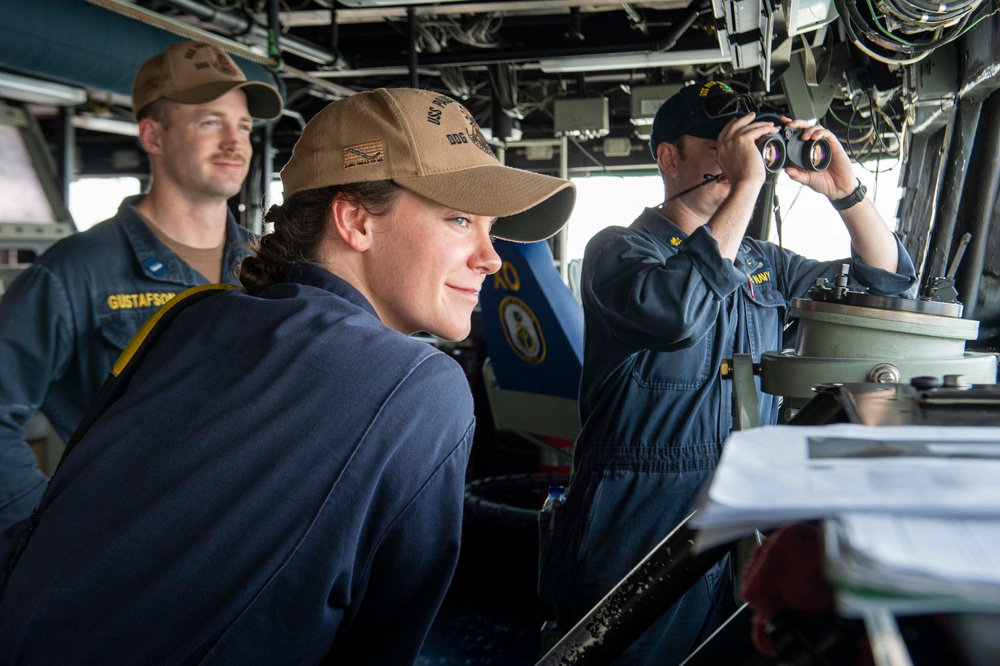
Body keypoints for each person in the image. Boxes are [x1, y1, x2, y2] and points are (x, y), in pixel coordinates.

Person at [0, 87, 576, 664]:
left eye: (490, 226)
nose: (491, 256)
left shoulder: (190, 318)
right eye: (458, 219)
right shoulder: (422, 386)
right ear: (354, 219)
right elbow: (381, 645)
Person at [540, 81, 917, 664]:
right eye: (724, 142)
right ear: (670, 158)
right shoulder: (618, 250)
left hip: (745, 509)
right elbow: (673, 314)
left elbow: (881, 283)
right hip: (640, 515)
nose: (745, 156)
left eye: (753, 142)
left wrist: (846, 194)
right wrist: (746, 186)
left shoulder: (760, 263)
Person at [0, 41, 283, 530]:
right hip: (126, 549)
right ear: (153, 135)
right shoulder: (73, 273)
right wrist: (40, 535)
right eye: (210, 122)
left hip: (244, 542)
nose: (236, 144)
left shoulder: (269, 270)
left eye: (243, 126)